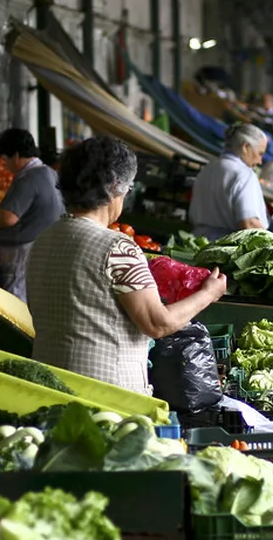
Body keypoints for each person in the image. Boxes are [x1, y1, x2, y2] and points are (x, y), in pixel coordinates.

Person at [26, 136, 228, 394]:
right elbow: (158, 324)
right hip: (105, 397)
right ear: (113, 188)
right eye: (128, 189)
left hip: (47, 386)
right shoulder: (118, 248)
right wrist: (208, 294)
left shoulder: (43, 240)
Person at [0, 129, 64, 303]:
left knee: (14, 304)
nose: (5, 165)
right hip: (44, 249)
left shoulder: (28, 178)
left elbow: (8, 218)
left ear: (15, 156)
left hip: (22, 254)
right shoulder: (49, 173)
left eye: (5, 159)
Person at [189, 123, 270, 240]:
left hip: (198, 241)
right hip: (225, 248)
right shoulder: (244, 174)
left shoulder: (208, 168)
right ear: (246, 147)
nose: (260, 161)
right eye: (260, 153)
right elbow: (249, 224)